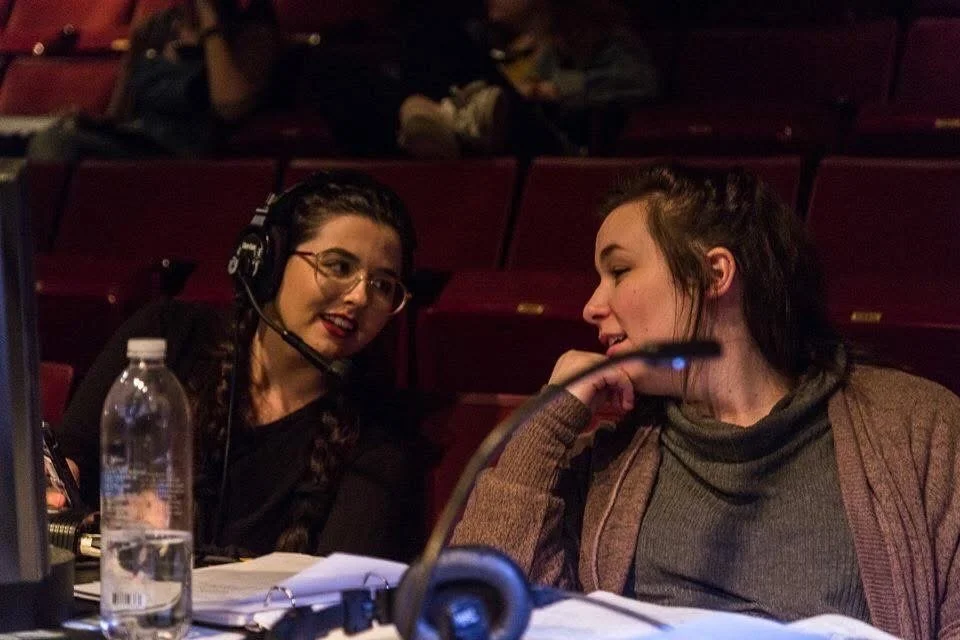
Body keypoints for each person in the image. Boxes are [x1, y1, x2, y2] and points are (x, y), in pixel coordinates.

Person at [451, 164, 960, 638]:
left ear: (715, 273)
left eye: (619, 271)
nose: (591, 306)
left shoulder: (917, 428)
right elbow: (471, 611)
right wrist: (547, 422)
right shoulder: (609, 458)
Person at [50, 170, 424, 562]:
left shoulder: (381, 431)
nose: (360, 297)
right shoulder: (167, 337)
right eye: (339, 266)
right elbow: (67, 461)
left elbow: (341, 579)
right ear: (269, 262)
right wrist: (51, 484)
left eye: (383, 285)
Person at [397, 0, 660, 158]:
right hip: (476, 154)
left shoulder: (591, 35)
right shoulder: (479, 40)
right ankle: (441, 119)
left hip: (547, 146)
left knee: (502, 101)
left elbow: (639, 81)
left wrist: (551, 89)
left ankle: (446, 118)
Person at [28, 0, 280, 161]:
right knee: (51, 137)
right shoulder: (158, 27)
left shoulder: (251, 30)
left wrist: (210, 23)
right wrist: (89, 121)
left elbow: (230, 106)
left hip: (189, 160)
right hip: (138, 148)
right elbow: (120, 115)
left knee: (55, 145)